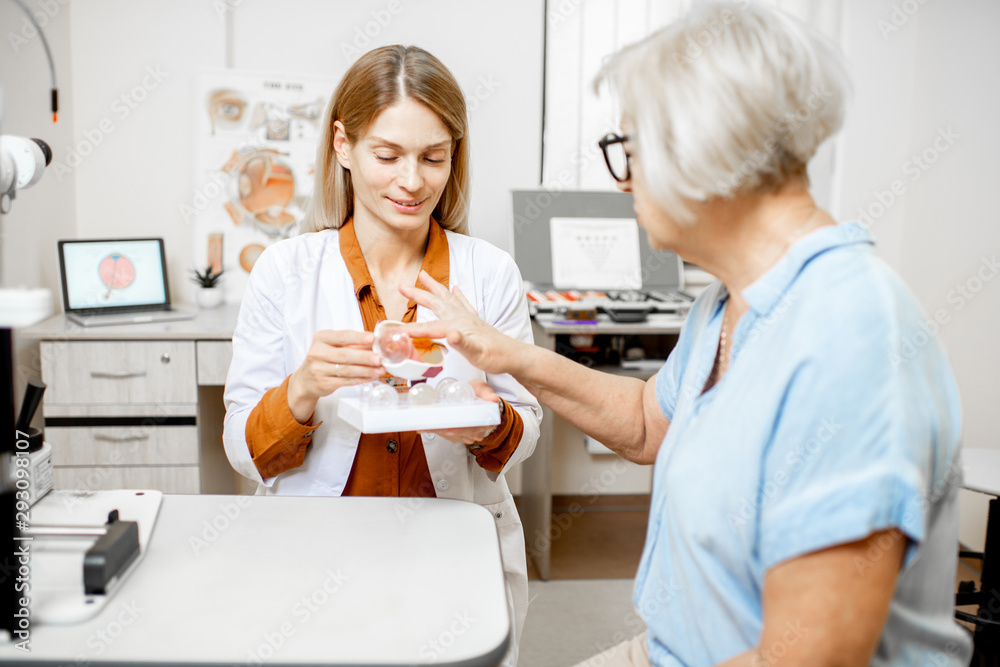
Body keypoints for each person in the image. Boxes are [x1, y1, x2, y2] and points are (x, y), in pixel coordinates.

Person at [402, 3, 972, 665]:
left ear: (705, 148)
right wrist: (505, 353)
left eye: (630, 150)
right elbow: (649, 421)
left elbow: (806, 659)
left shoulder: (849, 336)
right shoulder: (727, 303)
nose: (624, 182)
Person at [223, 45, 541, 666]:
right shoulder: (285, 272)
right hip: (317, 555)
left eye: (433, 157)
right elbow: (242, 448)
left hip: (453, 548)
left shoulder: (490, 274)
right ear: (343, 145)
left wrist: (488, 424)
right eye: (387, 155)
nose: (412, 181)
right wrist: (304, 389)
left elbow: (524, 428)